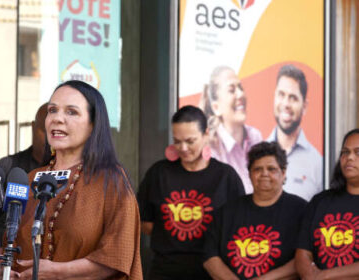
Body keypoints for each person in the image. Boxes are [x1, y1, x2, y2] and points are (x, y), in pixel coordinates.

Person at [0, 80, 142, 279]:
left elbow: (117, 257)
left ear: (93, 125)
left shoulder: (111, 180)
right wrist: (3, 265)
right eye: (52, 110)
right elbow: (8, 243)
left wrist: (56, 273)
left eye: (71, 112)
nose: (57, 118)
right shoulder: (30, 178)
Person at [137, 105, 245, 280]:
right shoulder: (159, 173)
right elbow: (143, 221)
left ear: (206, 135)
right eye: (177, 141)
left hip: (211, 271)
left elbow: (240, 226)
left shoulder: (225, 177)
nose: (183, 148)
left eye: (190, 141)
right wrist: (168, 233)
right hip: (165, 270)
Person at [203, 141, 307, 279]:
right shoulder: (227, 212)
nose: (264, 174)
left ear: (283, 173)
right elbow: (209, 257)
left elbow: (307, 257)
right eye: (257, 169)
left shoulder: (302, 211)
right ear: (249, 174)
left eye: (271, 169)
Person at [0, 103, 49, 280]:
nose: (48, 138)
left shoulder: (62, 175)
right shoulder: (7, 167)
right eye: (44, 129)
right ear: (33, 127)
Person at [295, 128, 359, 279]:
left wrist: (324, 276)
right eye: (345, 152)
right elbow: (302, 254)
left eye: (358, 152)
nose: (349, 158)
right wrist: (311, 275)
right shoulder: (320, 202)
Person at [201, 66, 262, 194]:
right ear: (216, 108)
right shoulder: (210, 149)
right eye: (232, 90)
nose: (240, 94)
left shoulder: (255, 137)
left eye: (240, 88)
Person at [267, 64, 323, 201]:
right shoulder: (256, 156)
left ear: (304, 106)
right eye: (281, 95)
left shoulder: (318, 164)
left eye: (293, 98)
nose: (286, 103)